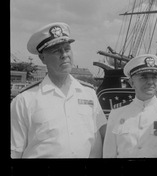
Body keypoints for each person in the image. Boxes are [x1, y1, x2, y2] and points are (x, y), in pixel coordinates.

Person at [11, 22, 107, 158]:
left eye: (67, 49)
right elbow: (14, 151)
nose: (64, 55)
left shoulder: (89, 93)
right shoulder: (24, 100)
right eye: (56, 51)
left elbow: (97, 140)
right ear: (42, 58)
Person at [103, 54, 157, 158]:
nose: (151, 82)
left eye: (154, 77)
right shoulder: (117, 113)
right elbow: (109, 153)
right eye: (144, 77)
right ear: (131, 82)